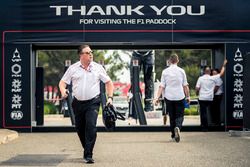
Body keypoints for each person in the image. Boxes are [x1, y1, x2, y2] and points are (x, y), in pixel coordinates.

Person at [59, 45, 114, 164]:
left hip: (93, 102)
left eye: (91, 52)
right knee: (80, 128)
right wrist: (63, 91)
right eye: (87, 52)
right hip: (77, 103)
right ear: (81, 55)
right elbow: (62, 82)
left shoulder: (98, 68)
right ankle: (86, 148)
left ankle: (88, 154)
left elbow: (109, 82)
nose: (91, 54)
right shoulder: (73, 68)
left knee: (91, 126)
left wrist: (110, 98)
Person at [155, 53, 190, 143]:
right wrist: (188, 96)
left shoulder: (165, 71)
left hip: (169, 97)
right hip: (180, 96)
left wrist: (156, 98)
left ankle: (173, 136)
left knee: (172, 116)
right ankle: (178, 127)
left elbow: (161, 86)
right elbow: (185, 86)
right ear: (178, 61)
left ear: (170, 61)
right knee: (180, 115)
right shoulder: (182, 71)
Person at [195, 60, 227, 131]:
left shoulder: (200, 78)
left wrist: (197, 93)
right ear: (210, 72)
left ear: (204, 72)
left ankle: (204, 127)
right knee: (214, 110)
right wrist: (224, 65)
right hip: (210, 98)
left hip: (202, 98)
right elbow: (221, 73)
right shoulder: (213, 78)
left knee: (203, 113)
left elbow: (197, 88)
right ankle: (215, 123)